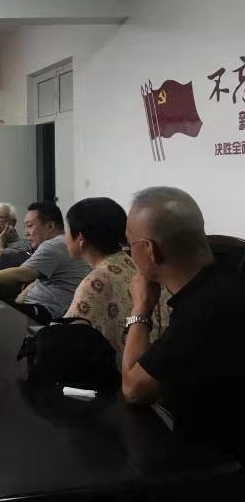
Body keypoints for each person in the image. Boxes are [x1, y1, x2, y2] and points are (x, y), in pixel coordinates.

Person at [121, 187, 245, 459]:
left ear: (149, 250)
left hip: (216, 461)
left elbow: (134, 389)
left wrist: (141, 307)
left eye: (129, 245)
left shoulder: (203, 312)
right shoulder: (231, 267)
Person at [62, 197, 170, 364]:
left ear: (81, 238)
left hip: (122, 372)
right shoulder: (136, 263)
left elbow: (66, 338)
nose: (65, 236)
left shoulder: (95, 281)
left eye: (67, 230)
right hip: (158, 365)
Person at [0, 202, 90, 323]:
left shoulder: (53, 244)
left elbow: (22, 273)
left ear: (50, 226)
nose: (26, 233)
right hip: (36, 305)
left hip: (46, 311)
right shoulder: (58, 243)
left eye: (30, 226)